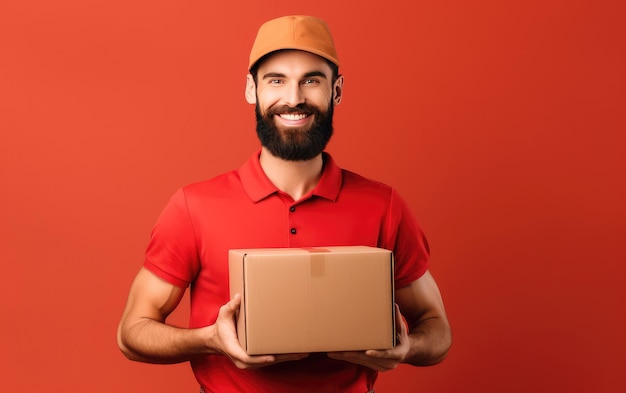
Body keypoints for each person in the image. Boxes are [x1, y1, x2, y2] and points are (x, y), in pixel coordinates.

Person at [117, 15, 451, 393]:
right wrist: (210, 340)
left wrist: (407, 348)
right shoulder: (194, 206)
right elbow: (132, 332)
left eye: (312, 80)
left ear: (336, 91)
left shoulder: (383, 205)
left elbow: (436, 328)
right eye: (277, 80)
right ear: (251, 89)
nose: (294, 98)